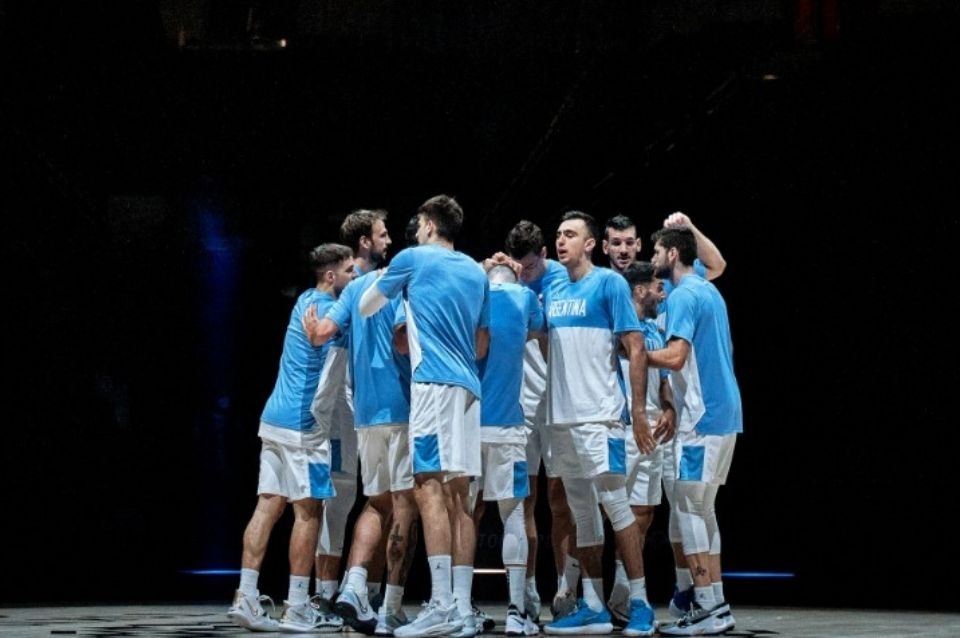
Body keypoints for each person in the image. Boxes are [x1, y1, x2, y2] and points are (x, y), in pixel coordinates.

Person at [359, 194, 491, 638]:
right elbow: (481, 344)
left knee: (427, 486)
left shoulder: (412, 259)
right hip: (469, 388)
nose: (415, 230)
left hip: (432, 385)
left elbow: (367, 306)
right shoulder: (476, 271)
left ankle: (441, 606)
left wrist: (390, 282)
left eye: (418, 223)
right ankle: (461, 608)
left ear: (431, 224)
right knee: (460, 496)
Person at [539, 211, 661, 637]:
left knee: (616, 507)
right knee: (582, 513)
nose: (562, 240)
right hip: (561, 419)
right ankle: (592, 605)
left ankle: (639, 602)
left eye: (571, 234)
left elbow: (636, 346)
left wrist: (639, 413)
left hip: (600, 417)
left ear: (591, 244)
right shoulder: (553, 286)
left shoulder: (609, 283)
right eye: (559, 234)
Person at [227, 243, 355, 633]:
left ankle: (246, 596)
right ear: (331, 276)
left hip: (274, 419)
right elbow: (328, 338)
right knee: (308, 513)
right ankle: (298, 605)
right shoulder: (331, 312)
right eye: (349, 271)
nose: (354, 277)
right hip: (304, 427)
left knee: (267, 506)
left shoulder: (304, 300)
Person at [647, 227, 741, 636]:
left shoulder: (685, 294)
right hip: (725, 413)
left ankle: (704, 605)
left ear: (672, 254)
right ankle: (715, 602)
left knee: (688, 508)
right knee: (703, 509)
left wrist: (634, 351)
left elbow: (675, 356)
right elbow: (717, 262)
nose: (652, 256)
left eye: (656, 250)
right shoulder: (707, 289)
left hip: (701, 418)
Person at [488, 220, 575, 623]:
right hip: (518, 403)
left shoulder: (561, 278)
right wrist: (494, 271)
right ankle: (525, 591)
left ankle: (566, 589)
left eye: (531, 266)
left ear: (544, 254)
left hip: (557, 401)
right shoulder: (506, 282)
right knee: (522, 498)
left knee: (561, 500)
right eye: (518, 266)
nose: (524, 272)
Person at [314, 209, 393, 608]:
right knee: (341, 499)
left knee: (383, 499)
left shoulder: (382, 281)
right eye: (382, 234)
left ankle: (368, 594)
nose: (388, 241)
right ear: (364, 241)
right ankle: (327, 596)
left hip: (370, 405)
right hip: (345, 408)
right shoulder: (347, 284)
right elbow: (323, 340)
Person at [605, 262, 677, 626]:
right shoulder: (615, 328)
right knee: (616, 512)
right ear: (639, 291)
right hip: (624, 426)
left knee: (644, 512)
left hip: (653, 427)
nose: (662, 295)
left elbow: (662, 379)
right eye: (657, 288)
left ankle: (622, 595)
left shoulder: (654, 329)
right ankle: (619, 595)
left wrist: (668, 407)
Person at [474, 263, 544, 637]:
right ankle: (517, 610)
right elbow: (538, 331)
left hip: (467, 425)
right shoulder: (524, 297)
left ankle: (458, 606)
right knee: (513, 514)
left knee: (462, 515)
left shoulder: (472, 293)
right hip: (507, 426)